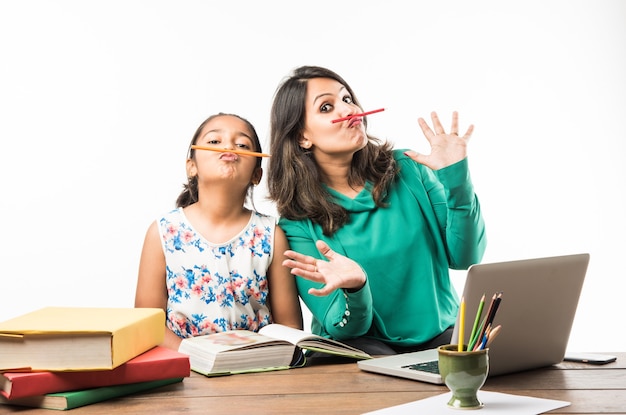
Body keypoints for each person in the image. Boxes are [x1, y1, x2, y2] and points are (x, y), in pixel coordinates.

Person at [267, 66, 486, 356]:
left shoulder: (409, 169)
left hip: (441, 336)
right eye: (327, 106)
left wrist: (455, 180)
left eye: (347, 98)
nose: (348, 109)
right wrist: (356, 287)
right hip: (359, 348)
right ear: (302, 137)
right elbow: (343, 328)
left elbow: (465, 257)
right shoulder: (296, 224)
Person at [135, 113, 303, 350]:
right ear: (191, 166)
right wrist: (194, 358)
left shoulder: (271, 235)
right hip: (186, 372)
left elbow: (290, 327)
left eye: (242, 144)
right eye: (214, 141)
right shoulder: (163, 232)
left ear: (257, 175)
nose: (228, 146)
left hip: (255, 368)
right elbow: (147, 324)